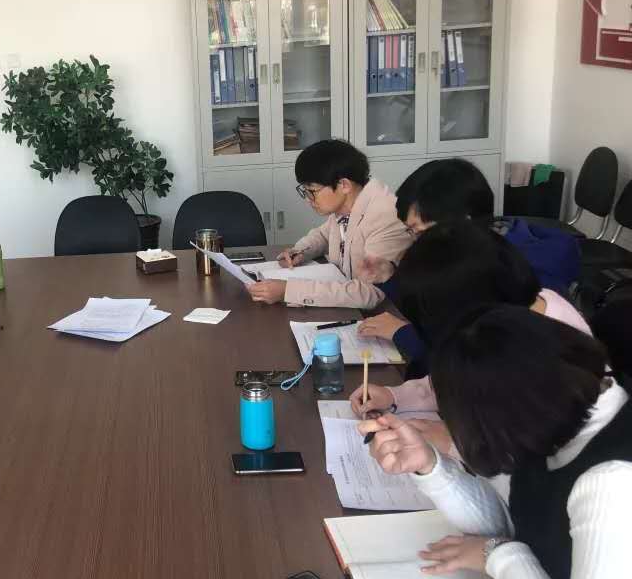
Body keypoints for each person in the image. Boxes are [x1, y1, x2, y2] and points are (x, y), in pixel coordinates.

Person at [359, 308, 632, 579]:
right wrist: (428, 466)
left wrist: (498, 557)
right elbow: (509, 523)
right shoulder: (555, 415)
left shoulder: (612, 483)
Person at [349, 222, 591, 453]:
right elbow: (454, 379)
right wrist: (394, 396)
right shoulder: (515, 313)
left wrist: (451, 443)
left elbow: (529, 462)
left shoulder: (551, 355)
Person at [357, 159, 580, 368]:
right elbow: (433, 310)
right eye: (411, 231)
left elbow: (477, 363)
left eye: (421, 232)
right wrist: (390, 277)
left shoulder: (517, 274)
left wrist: (402, 333)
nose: (417, 244)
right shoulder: (472, 255)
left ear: (462, 223)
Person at [247, 140, 412, 309]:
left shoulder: (386, 216)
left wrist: (288, 291)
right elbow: (324, 235)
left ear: (344, 185)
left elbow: (368, 293)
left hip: (387, 314)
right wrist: (300, 251)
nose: (308, 200)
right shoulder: (348, 205)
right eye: (305, 191)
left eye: (312, 191)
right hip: (351, 305)